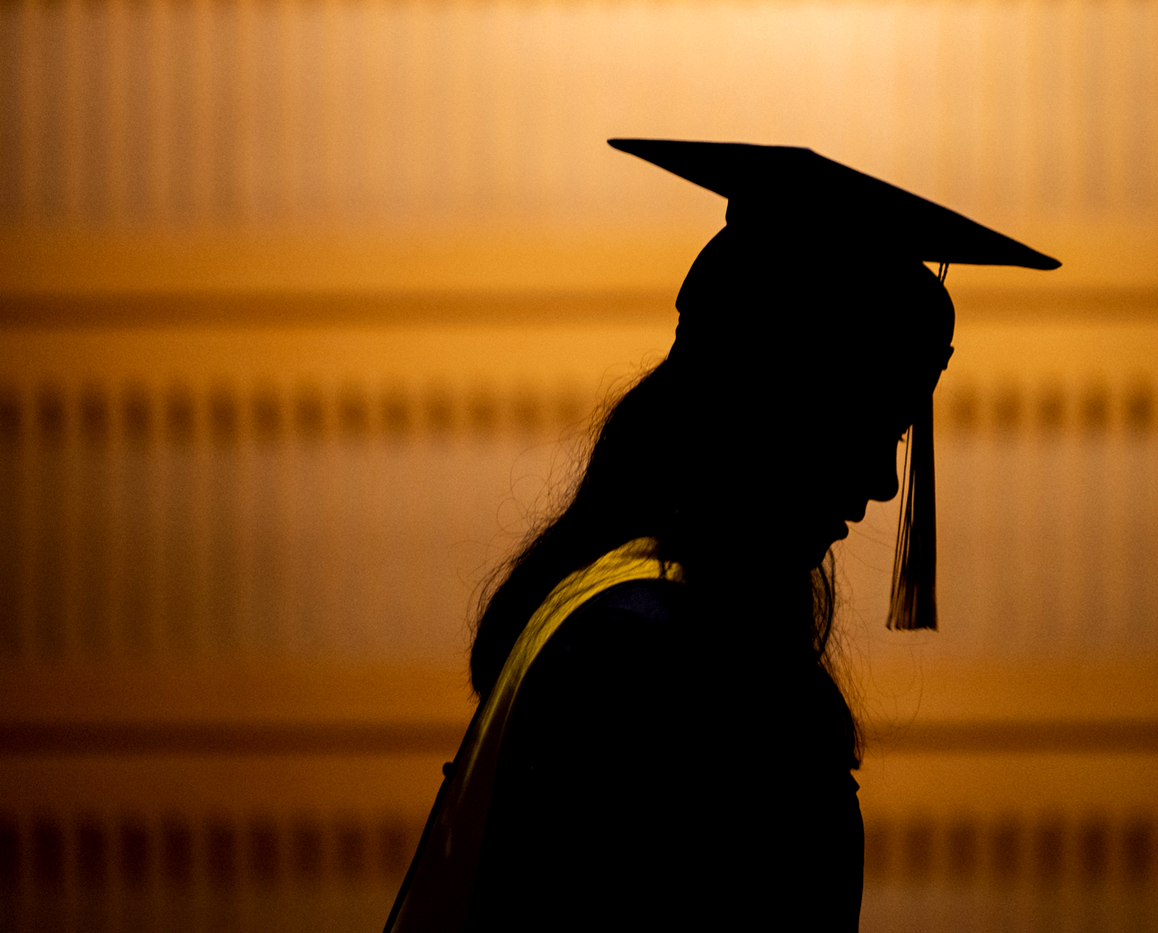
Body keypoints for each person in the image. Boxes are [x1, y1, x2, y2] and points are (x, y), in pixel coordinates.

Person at [385, 139, 1058, 932]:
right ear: (767, 407)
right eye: (861, 427)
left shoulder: (615, 603)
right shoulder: (646, 650)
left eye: (897, 437)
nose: (883, 481)